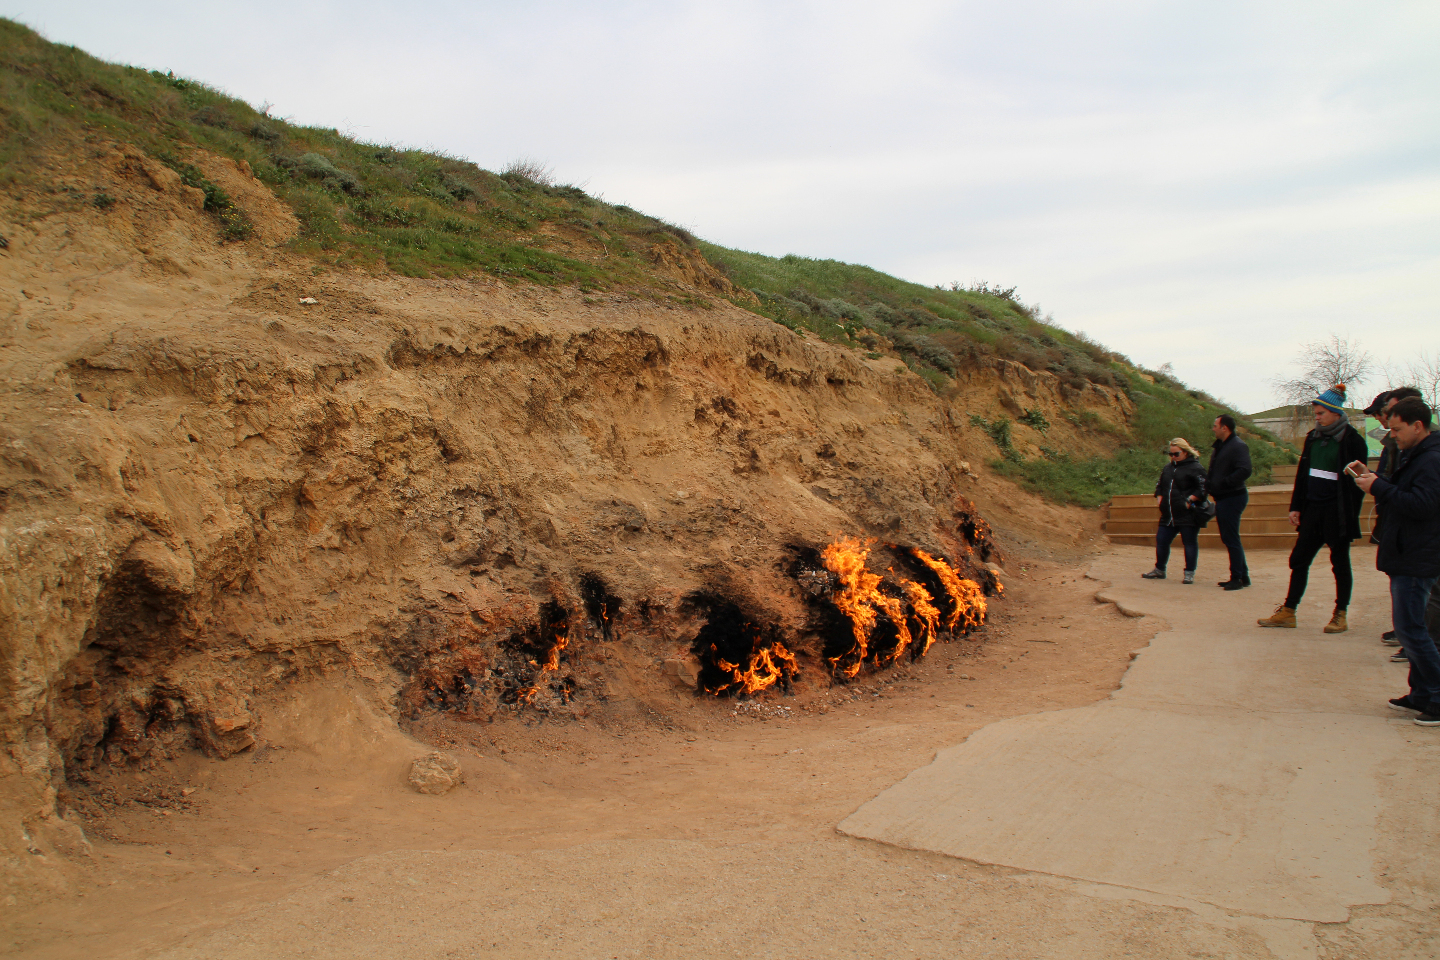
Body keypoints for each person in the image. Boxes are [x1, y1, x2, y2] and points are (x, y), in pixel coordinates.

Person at [1353, 397, 1440, 725]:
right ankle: (1421, 693)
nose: (1391, 435)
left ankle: (1436, 694)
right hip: (1408, 551)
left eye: (1397, 429)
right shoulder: (1416, 454)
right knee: (1412, 627)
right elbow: (1407, 494)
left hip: (1418, 555)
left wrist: (1379, 487)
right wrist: (1376, 481)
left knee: (1411, 629)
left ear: (1418, 425)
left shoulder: (1431, 459)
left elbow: (1422, 506)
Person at [1257, 384, 1368, 632]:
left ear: (1336, 413)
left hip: (1337, 512)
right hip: (1312, 510)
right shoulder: (1312, 438)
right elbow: (1302, 475)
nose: (1316, 418)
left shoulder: (1353, 441)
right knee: (1298, 559)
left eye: (1321, 414)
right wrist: (1296, 506)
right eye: (1315, 414)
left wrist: (1347, 515)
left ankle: (1340, 614)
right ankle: (1288, 611)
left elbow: (1357, 483)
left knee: (1339, 563)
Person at [1366, 387, 1421, 653]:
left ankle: (1416, 640)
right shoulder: (1398, 443)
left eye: (1387, 414)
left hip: (1416, 536)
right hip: (1394, 521)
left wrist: (1379, 486)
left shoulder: (1426, 455)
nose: (1385, 421)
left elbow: (1418, 500)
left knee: (1422, 596)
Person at [1142, 438, 1208, 584]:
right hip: (1168, 513)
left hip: (1187, 513)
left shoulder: (1196, 468)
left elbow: (1203, 488)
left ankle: (1189, 572)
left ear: (1185, 452)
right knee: (1161, 540)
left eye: (1176, 454)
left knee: (1189, 542)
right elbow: (1160, 485)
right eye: (1170, 454)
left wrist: (1190, 500)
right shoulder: (1168, 468)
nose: (1173, 457)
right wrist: (1159, 496)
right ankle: (1159, 569)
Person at [1208, 415, 1252, 590]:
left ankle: (1237, 578)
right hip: (1224, 497)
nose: (1213, 429)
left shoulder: (1237, 446)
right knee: (1229, 537)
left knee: (1231, 538)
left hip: (1233, 497)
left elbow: (1245, 470)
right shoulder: (1221, 446)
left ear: (1224, 428)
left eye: (1215, 425)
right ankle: (1243, 576)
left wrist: (1224, 483)